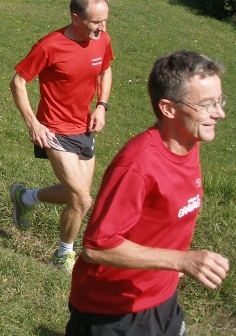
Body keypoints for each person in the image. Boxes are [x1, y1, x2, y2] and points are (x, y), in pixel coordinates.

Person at [66, 51, 230, 336]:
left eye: (219, 101)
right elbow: (97, 246)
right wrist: (182, 261)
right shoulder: (138, 164)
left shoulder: (189, 142)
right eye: (206, 105)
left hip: (161, 297)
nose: (219, 113)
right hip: (111, 311)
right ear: (169, 109)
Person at [9, 0, 113, 273]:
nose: (102, 28)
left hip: (84, 127)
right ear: (75, 18)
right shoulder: (50, 46)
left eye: (105, 21)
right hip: (55, 130)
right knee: (82, 199)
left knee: (75, 195)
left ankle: (25, 197)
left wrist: (101, 106)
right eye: (96, 22)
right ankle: (63, 255)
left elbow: (105, 70)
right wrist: (33, 123)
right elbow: (18, 82)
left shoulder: (102, 39)